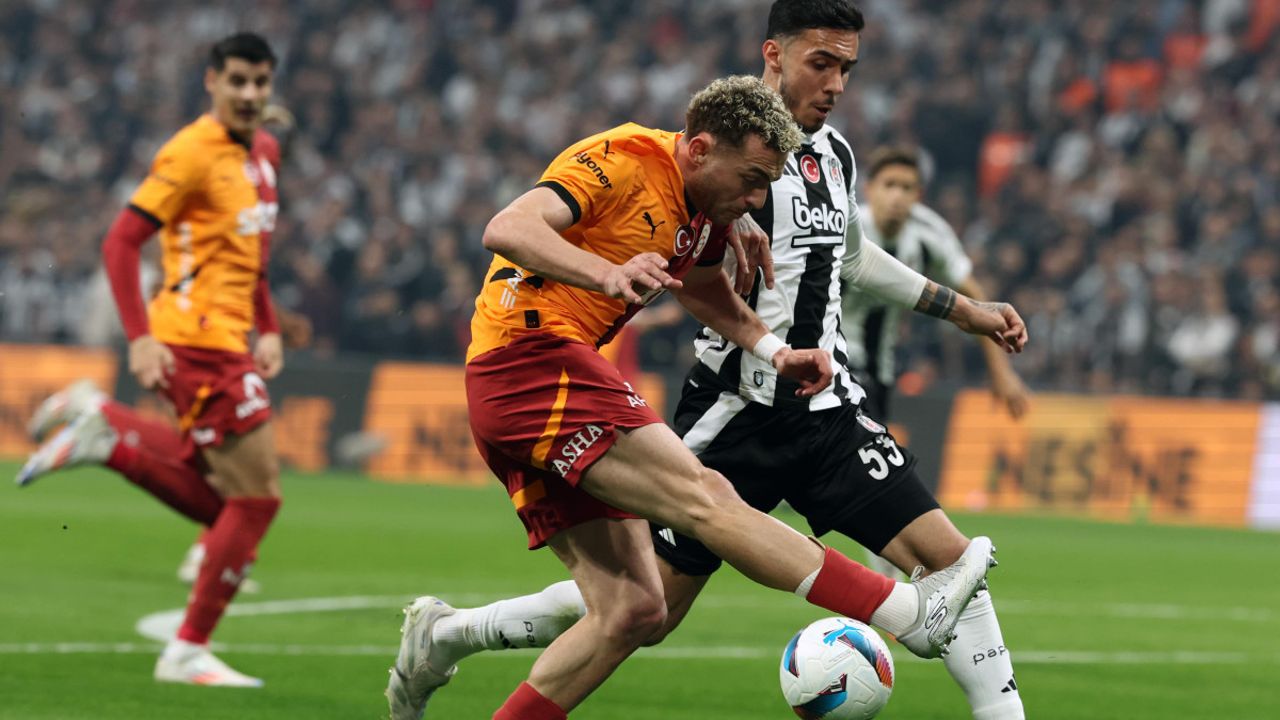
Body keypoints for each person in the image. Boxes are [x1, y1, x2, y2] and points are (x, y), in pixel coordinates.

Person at [389, 4, 1027, 720]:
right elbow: (509, 226)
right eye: (822, 63)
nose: (837, 84)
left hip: (822, 407)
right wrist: (611, 271)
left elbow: (786, 269)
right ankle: (907, 614)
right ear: (774, 55)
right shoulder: (664, 157)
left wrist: (794, 343)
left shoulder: (808, 167)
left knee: (634, 609)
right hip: (680, 399)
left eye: (848, 68)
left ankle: (995, 703)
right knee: (689, 539)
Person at [16, 32, 285, 688]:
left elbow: (249, 258)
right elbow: (121, 242)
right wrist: (139, 338)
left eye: (260, 82)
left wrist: (270, 326)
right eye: (237, 80)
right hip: (195, 341)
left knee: (226, 504)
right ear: (211, 81)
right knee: (255, 502)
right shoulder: (190, 153)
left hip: (230, 339)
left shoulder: (265, 153)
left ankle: (108, 435)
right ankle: (186, 650)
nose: (249, 93)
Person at [844, 144, 1030, 424]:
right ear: (869, 190)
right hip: (833, 361)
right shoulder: (847, 227)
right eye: (889, 185)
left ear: (918, 195)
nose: (897, 196)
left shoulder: (930, 234)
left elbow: (974, 299)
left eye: (906, 188)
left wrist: (1001, 371)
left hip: (880, 371)